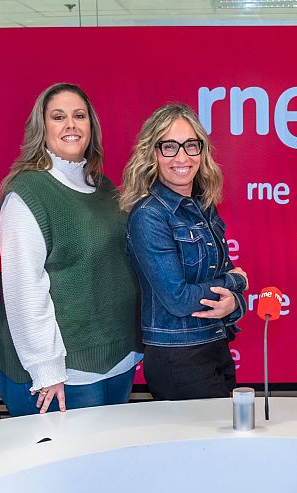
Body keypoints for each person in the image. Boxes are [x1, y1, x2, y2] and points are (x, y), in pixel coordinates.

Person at [0, 83, 143, 416]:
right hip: (62, 377)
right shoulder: (27, 192)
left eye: (79, 116)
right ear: (42, 127)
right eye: (58, 117)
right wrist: (46, 370)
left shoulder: (103, 187)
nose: (71, 125)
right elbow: (24, 289)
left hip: (117, 364)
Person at [121, 103, 247, 400]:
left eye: (191, 145)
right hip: (178, 357)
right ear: (153, 153)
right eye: (169, 147)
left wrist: (234, 303)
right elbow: (178, 299)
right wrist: (237, 281)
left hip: (215, 343)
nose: (182, 157)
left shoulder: (203, 206)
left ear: (202, 151)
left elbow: (223, 280)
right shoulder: (149, 216)